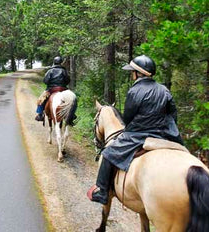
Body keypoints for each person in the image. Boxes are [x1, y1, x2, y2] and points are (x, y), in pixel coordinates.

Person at [87, 55, 184, 204]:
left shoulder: (135, 90)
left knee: (107, 153)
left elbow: (127, 118)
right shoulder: (164, 90)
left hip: (139, 136)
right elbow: (173, 116)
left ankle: (103, 192)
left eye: (132, 71)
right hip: (164, 135)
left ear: (138, 73)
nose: (131, 74)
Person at [35, 56, 70, 122]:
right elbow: (68, 80)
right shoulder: (64, 71)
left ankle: (40, 115)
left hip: (51, 89)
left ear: (54, 62)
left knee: (40, 100)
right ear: (61, 62)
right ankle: (72, 115)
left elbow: (45, 81)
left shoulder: (50, 71)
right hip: (63, 89)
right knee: (71, 99)